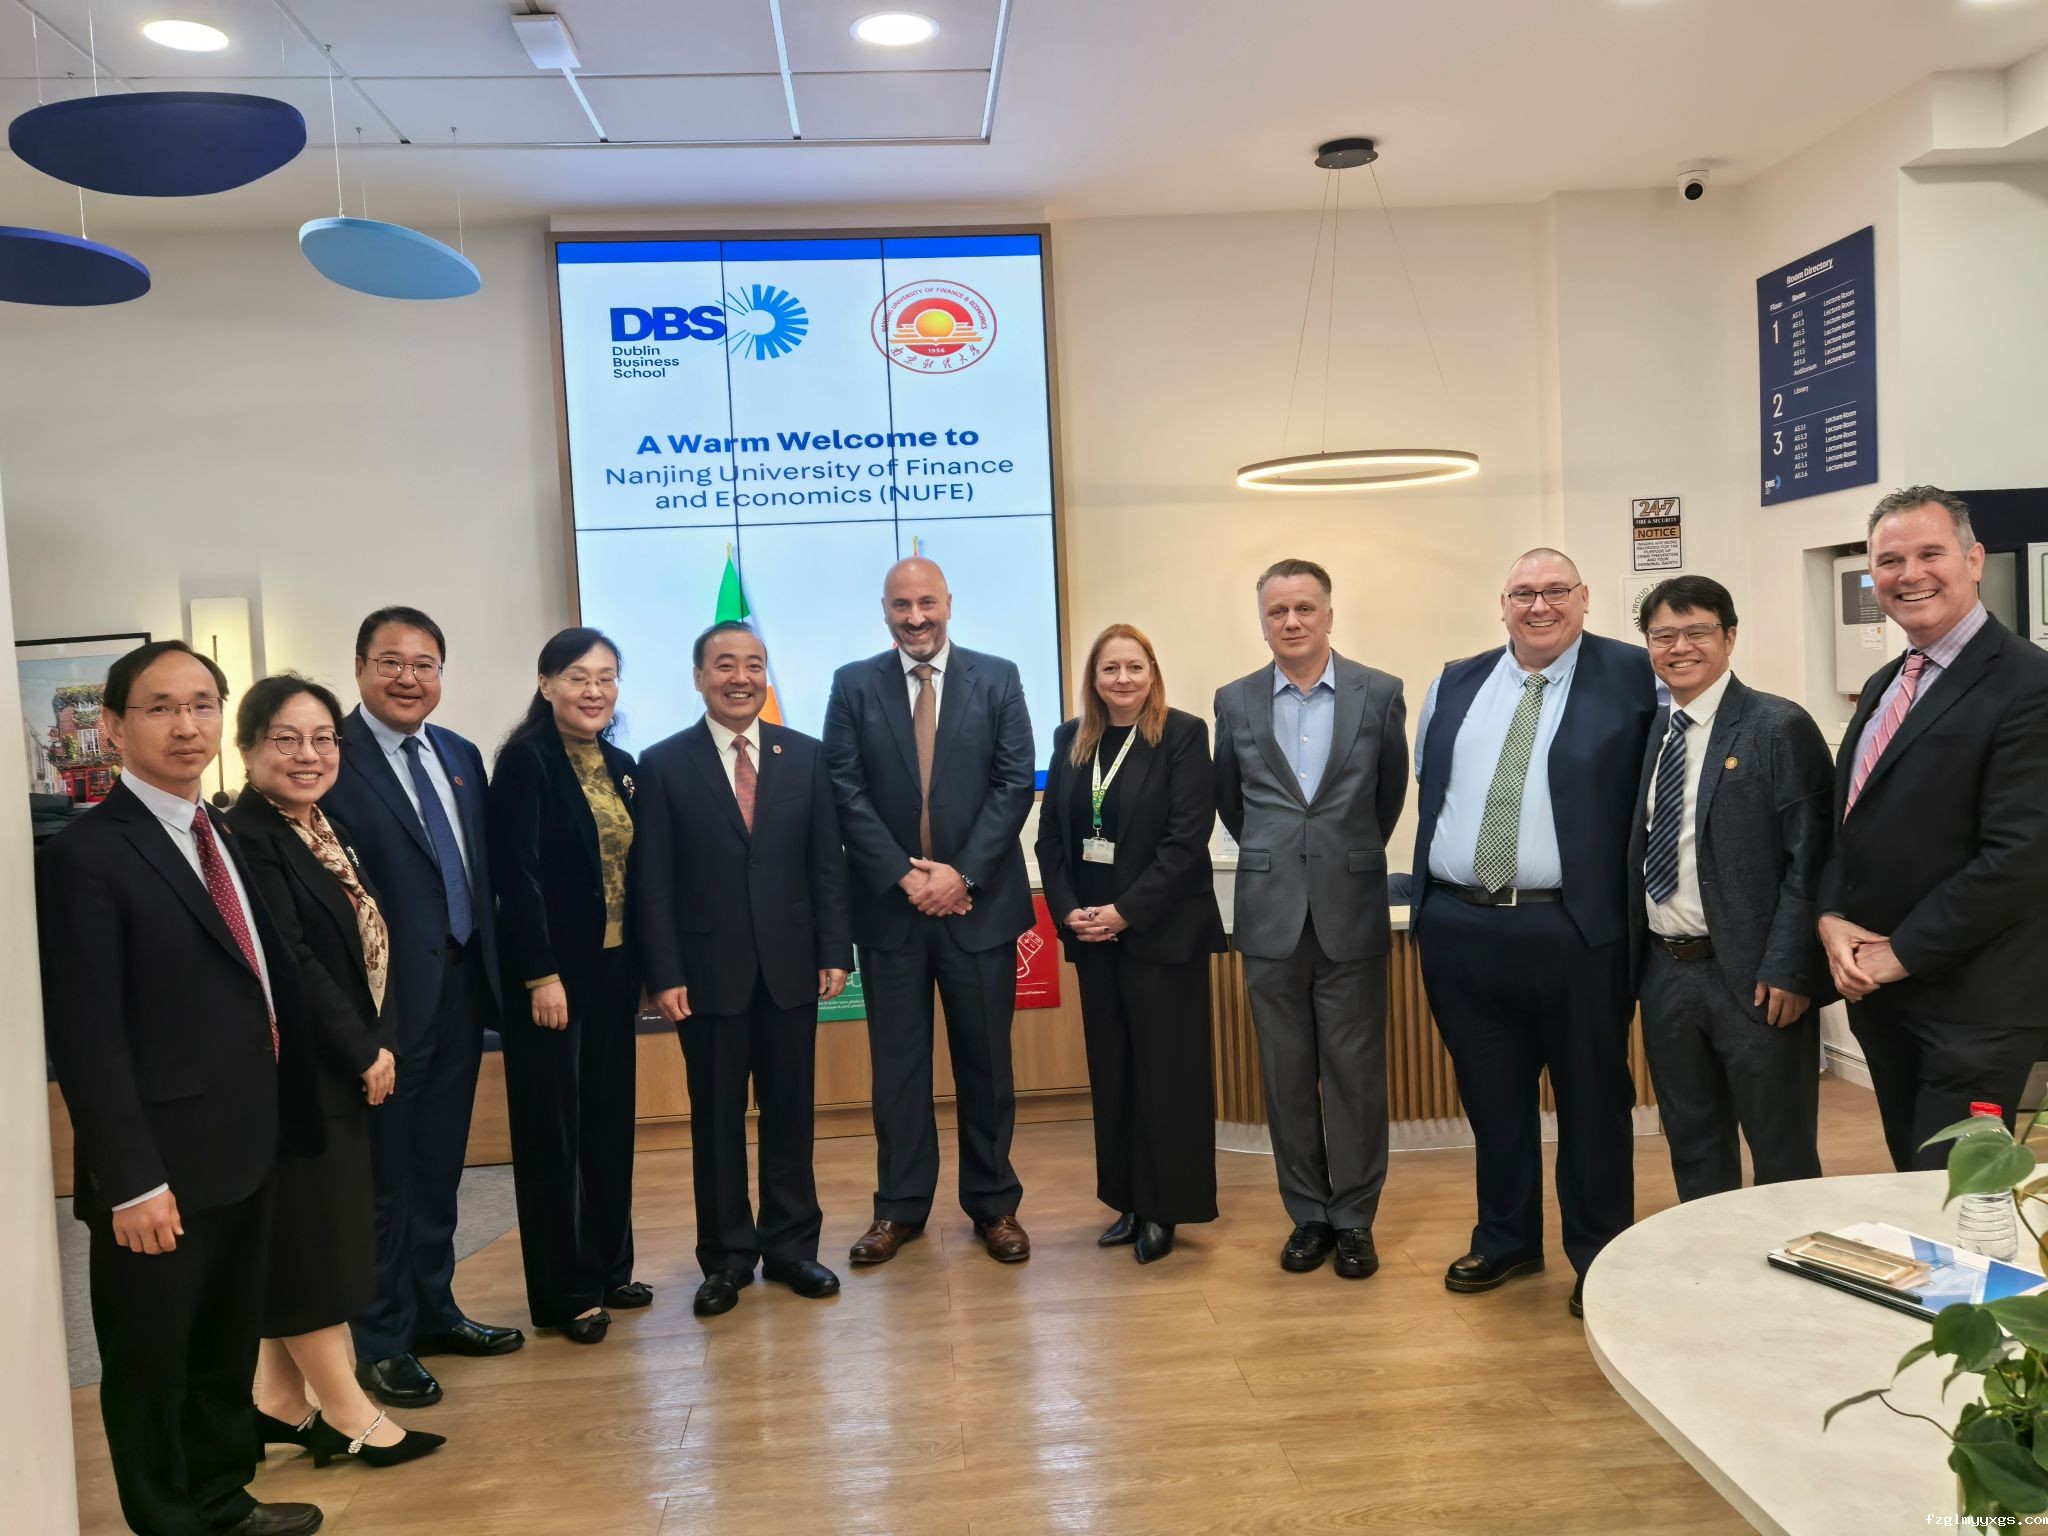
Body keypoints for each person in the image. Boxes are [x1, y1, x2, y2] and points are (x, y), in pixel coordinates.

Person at [37, 640, 325, 1536]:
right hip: (157, 1166)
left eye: (202, 704)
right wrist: (129, 1179)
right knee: (153, 1358)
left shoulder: (220, 832)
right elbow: (87, 1033)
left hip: (244, 1145)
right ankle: (168, 1518)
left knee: (221, 1344)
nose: (186, 725)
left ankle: (221, 1499)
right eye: (160, 707)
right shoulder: (87, 855)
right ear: (114, 726)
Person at [1411, 549, 1657, 1317]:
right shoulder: (1455, 682)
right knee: (1492, 1099)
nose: (1539, 605)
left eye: (1555, 591)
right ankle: (1507, 1239)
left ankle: (1599, 1254)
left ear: (1584, 599)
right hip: (1461, 926)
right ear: (1503, 603)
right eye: (1524, 593)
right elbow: (1428, 787)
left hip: (1574, 928)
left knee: (1592, 1101)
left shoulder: (1634, 675)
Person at [228, 675, 444, 1469]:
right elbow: (292, 961)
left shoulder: (321, 826)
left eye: (322, 739)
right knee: (313, 1246)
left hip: (343, 1060)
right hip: (299, 1074)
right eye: (286, 739)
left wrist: (383, 1038)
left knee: (315, 1233)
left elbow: (367, 942)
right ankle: (348, 1412)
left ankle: (277, 1402)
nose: (309, 754)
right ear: (248, 748)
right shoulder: (248, 837)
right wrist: (363, 1049)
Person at [322, 607, 522, 1408]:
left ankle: (435, 1309)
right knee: (383, 1177)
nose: (409, 678)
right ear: (360, 668)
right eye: (391, 662)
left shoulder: (461, 755)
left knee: (439, 1167)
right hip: (383, 1007)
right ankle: (382, 1339)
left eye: (425, 664)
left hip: (462, 992)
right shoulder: (331, 756)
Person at [1818, 486, 2048, 1169]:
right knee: (1912, 1185)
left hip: (1975, 1007)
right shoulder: (1887, 683)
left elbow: (2022, 856)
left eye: (1930, 554)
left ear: (1974, 561)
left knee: (1953, 1200)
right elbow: (1851, 824)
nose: (1909, 574)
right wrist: (1831, 916)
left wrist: (1903, 951)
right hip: (1886, 999)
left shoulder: (2029, 684)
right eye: (1890, 561)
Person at [822, 557, 1038, 1265]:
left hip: (979, 908)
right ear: (884, 610)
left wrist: (960, 874)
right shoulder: (853, 684)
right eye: (901, 605)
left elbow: (1013, 784)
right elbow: (843, 787)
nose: (915, 618)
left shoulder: (998, 677)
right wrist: (904, 877)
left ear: (949, 603)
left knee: (987, 1067)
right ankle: (900, 1208)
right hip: (892, 913)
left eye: (926, 603)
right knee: (898, 1070)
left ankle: (994, 1205)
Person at [635, 620, 853, 1315]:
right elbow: (653, 881)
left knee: (791, 1114)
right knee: (717, 1121)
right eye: (725, 664)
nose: (741, 677)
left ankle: (792, 1248)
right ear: (699, 677)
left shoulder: (806, 755)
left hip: (791, 968)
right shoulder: (662, 763)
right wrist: (664, 973)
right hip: (705, 977)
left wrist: (835, 950)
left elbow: (826, 863)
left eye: (753, 664)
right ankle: (727, 1258)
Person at [1214, 560, 1408, 1280]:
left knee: (1355, 1075)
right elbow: (1231, 803)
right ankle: (1308, 1215)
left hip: (1349, 911)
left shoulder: (1379, 692)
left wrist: (1338, 857)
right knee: (1285, 1073)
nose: (1291, 622)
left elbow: (1387, 797)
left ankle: (1354, 1218)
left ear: (1329, 614)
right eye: (1277, 612)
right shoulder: (1234, 700)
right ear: (1262, 622)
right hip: (1269, 918)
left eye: (1304, 608)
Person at [1624, 577, 1834, 1201]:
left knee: (1780, 1148)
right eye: (1663, 635)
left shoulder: (1777, 726)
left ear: (1730, 637)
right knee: (1693, 1142)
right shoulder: (1650, 731)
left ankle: (1788, 1254)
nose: (1679, 647)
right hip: (1666, 971)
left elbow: (1812, 858)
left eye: (1697, 632)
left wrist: (1792, 966)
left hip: (1756, 976)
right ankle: (1709, 1258)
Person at [1038, 624, 1225, 1263]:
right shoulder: (1071, 739)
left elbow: (1185, 840)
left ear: (1152, 673)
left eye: (1134, 667)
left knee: (1166, 1076)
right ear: (1093, 678)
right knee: (1114, 1073)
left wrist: (1125, 912)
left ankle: (1165, 1207)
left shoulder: (1183, 735)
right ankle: (1126, 1200)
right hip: (1094, 939)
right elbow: (1051, 840)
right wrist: (1070, 911)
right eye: (1109, 669)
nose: (1122, 679)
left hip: (1161, 936)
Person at [487, 629, 648, 1344]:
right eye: (578, 676)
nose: (594, 690)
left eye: (606, 677)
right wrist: (540, 973)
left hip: (613, 974)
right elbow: (515, 876)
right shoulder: (526, 761)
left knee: (609, 1123)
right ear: (546, 683)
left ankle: (611, 1267)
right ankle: (566, 1291)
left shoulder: (622, 765)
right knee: (554, 1137)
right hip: (551, 980)